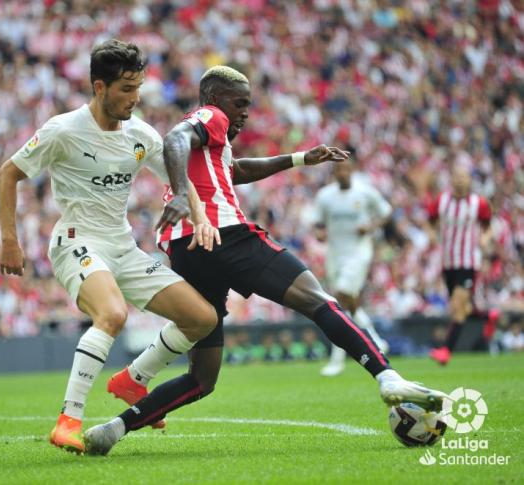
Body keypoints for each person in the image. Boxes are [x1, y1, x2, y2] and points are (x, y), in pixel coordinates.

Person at [83, 66, 449, 455]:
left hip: (185, 249)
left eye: (248, 105)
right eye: (239, 104)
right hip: (225, 234)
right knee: (319, 301)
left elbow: (235, 170)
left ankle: (113, 429)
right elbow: (174, 138)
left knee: (202, 379)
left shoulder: (213, 145)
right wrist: (178, 195)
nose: (244, 113)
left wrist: (299, 159)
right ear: (216, 100)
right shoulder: (210, 116)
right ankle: (386, 377)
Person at [0, 40, 220, 454]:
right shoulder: (63, 129)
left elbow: (179, 179)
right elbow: (7, 175)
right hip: (76, 241)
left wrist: (197, 211)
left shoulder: (141, 134)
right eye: (125, 89)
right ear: (99, 87)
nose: (135, 98)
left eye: (138, 87)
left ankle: (133, 379)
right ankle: (68, 420)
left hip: (122, 247)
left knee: (202, 318)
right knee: (112, 314)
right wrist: (10, 239)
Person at [314, 161, 392, 376]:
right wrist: (319, 233)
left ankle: (337, 359)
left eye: (347, 169)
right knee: (349, 301)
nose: (343, 173)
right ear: (334, 173)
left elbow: (386, 212)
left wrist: (371, 227)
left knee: (340, 297)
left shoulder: (365, 192)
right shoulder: (325, 196)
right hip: (335, 255)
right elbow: (318, 224)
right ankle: (377, 340)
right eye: (339, 170)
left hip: (358, 253)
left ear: (353, 170)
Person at [428, 165, 495, 365]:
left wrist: (484, 239)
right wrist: (432, 234)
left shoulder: (478, 203)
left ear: (469, 180)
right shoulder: (442, 200)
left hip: (468, 261)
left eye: (463, 177)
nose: (460, 180)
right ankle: (486, 315)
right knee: (459, 309)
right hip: (448, 261)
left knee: (458, 305)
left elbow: (489, 227)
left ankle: (446, 350)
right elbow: (429, 221)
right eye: (456, 176)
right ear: (452, 179)